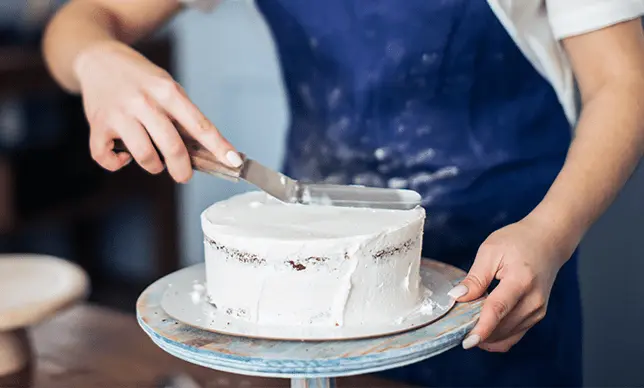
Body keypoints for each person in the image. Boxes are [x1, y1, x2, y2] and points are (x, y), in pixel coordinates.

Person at [42, 0, 644, 386]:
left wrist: (551, 231)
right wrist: (98, 59)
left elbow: (624, 80)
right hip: (306, 288)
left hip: (502, 270)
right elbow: (82, 18)